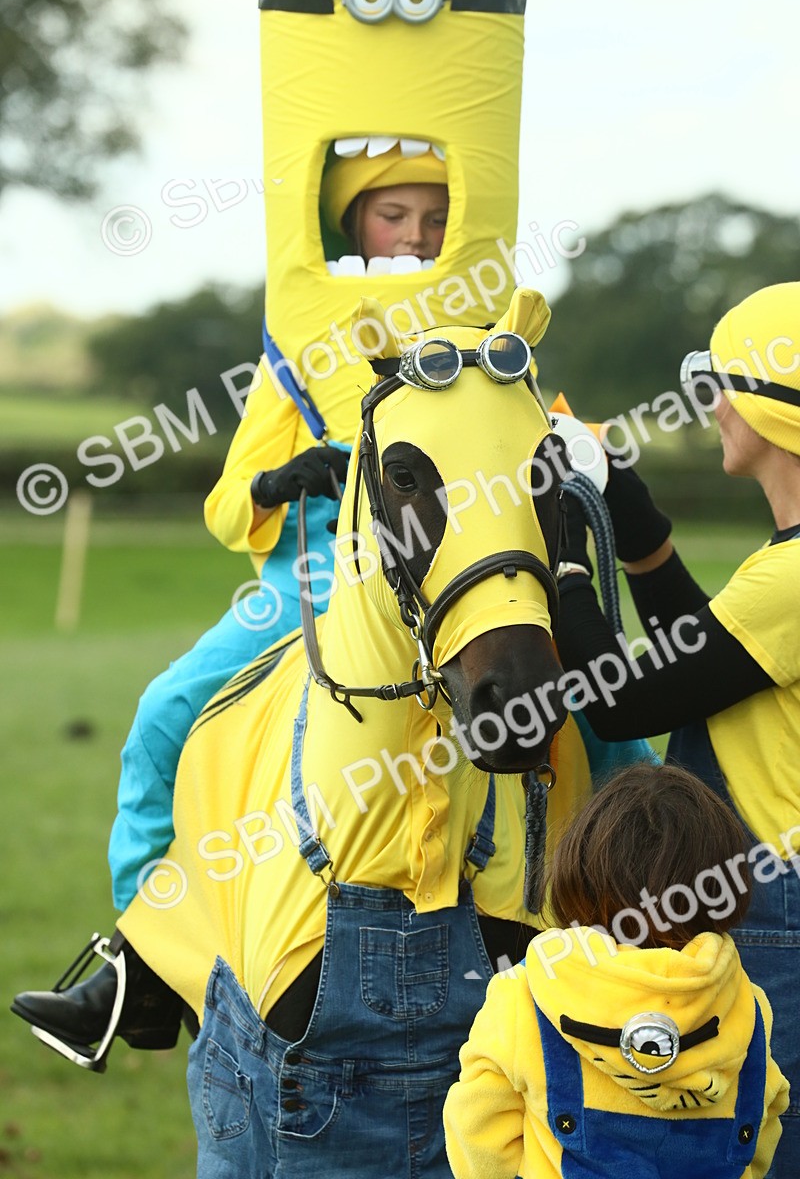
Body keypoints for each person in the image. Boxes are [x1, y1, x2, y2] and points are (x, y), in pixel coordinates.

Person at [10, 150, 451, 1056]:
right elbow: (224, 510)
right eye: (394, 215)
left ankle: (656, 876)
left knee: (590, 708)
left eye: (437, 218)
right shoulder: (296, 349)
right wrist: (279, 480)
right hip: (318, 582)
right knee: (165, 711)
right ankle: (138, 971)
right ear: (351, 226)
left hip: (458, 572)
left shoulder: (481, 326)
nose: (416, 236)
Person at [551, 281, 800, 1176]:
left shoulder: (794, 580)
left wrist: (567, 541)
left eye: (718, 383)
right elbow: (702, 664)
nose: (714, 407)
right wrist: (626, 503)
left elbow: (622, 698)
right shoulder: (786, 568)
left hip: (779, 910)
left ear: (770, 404)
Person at [443, 763, 789, 1179]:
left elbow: (477, 1128)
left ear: (578, 878)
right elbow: (764, 1129)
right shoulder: (747, 1007)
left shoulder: (525, 992)